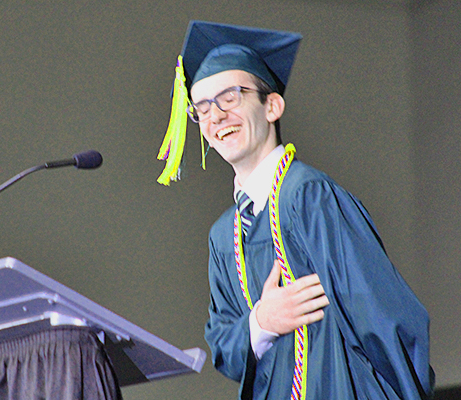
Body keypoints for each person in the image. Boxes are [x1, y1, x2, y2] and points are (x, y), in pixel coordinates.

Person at [156, 21, 434, 400]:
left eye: (230, 97)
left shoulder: (310, 197)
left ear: (272, 106)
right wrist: (261, 322)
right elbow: (224, 345)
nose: (215, 116)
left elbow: (383, 317)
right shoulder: (224, 235)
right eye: (201, 109)